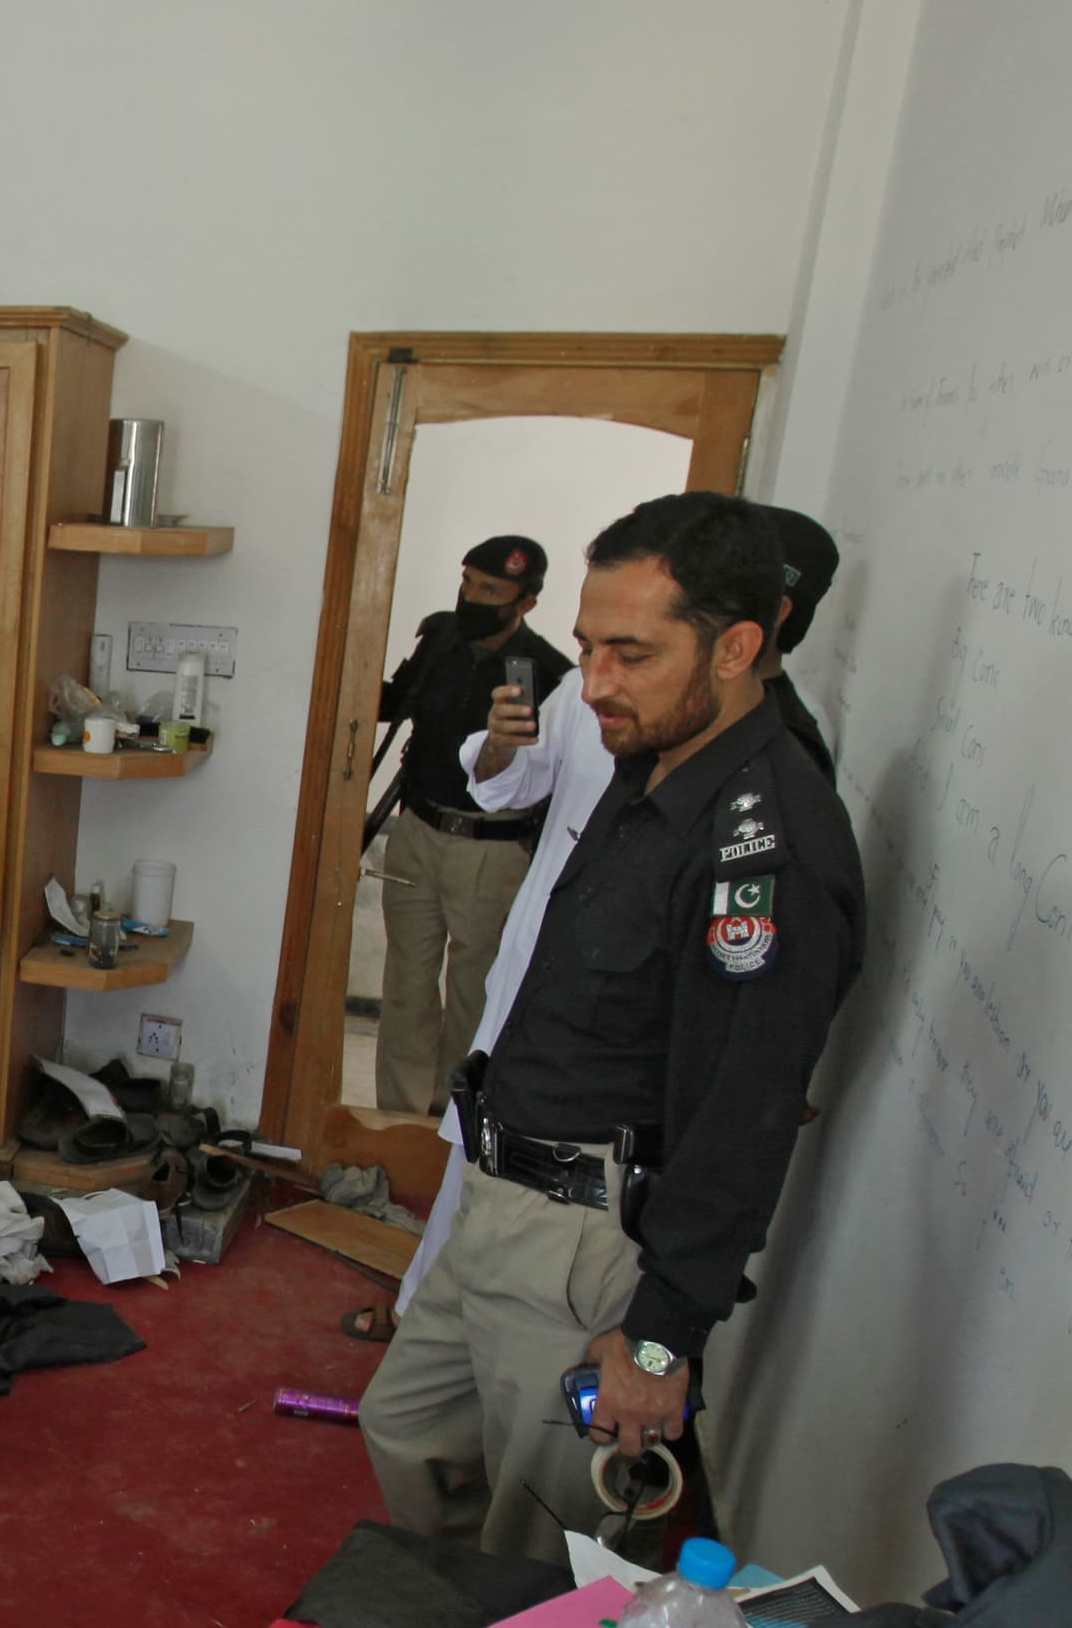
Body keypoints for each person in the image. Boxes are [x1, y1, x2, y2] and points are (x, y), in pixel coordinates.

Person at [357, 493, 864, 1560]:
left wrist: (660, 1334)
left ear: (737, 647)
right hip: (500, 1201)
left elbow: (747, 1109)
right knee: (405, 1428)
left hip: (588, 1246)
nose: (593, 685)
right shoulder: (653, 765)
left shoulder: (761, 846)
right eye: (587, 648)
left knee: (536, 1547)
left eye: (631, 654)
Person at [371, 536, 573, 1116]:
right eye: (467, 583)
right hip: (417, 834)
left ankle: (449, 1120)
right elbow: (393, 701)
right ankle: (397, 1117)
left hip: (492, 848)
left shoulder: (549, 675)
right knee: (406, 984)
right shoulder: (439, 642)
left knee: (474, 992)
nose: (471, 597)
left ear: (525, 603)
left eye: (490, 590)